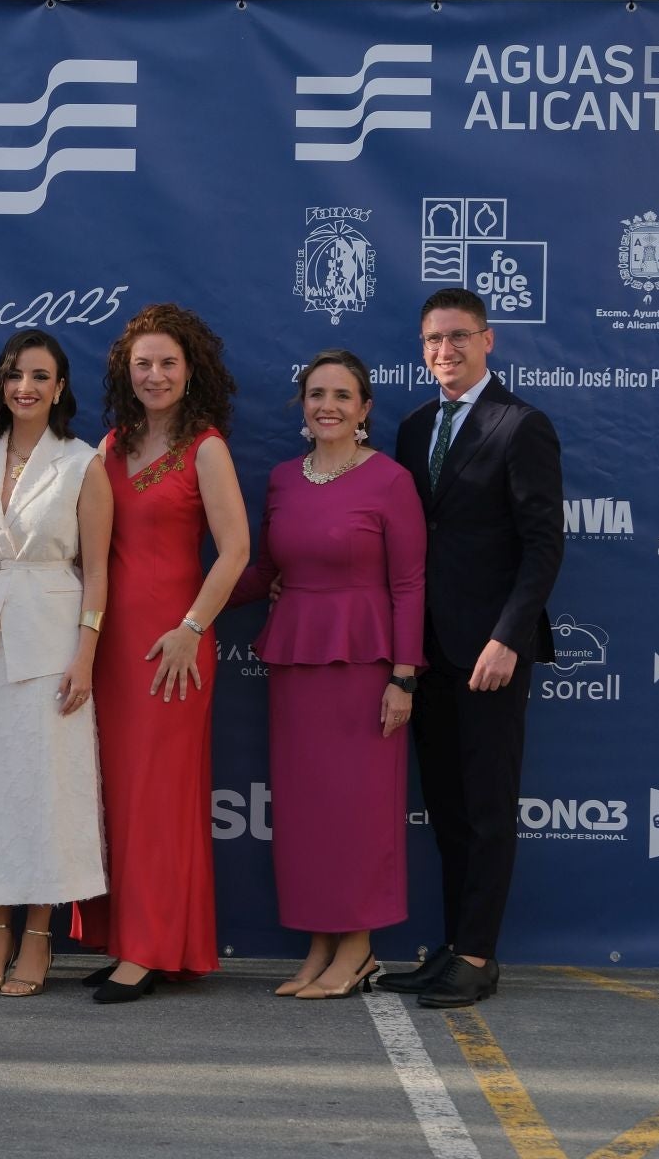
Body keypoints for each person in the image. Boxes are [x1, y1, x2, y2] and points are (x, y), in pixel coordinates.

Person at [379, 288, 562, 1009]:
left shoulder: (522, 426)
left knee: (487, 811)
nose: (444, 351)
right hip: (425, 653)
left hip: (490, 654)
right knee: (449, 811)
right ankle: (453, 949)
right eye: (432, 340)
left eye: (458, 337)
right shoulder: (416, 425)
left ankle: (480, 956)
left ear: (489, 341)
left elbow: (544, 545)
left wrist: (508, 637)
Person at [230, 349, 426, 1000]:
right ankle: (319, 943)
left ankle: (359, 948)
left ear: (365, 409)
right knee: (309, 812)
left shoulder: (390, 481)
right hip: (297, 667)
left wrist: (403, 678)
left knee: (359, 813)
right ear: (302, 406)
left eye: (342, 395)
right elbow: (264, 572)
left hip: (367, 670)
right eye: (316, 394)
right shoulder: (284, 478)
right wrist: (188, 600)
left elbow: (408, 584)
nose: (328, 406)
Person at [75, 302, 249, 1004]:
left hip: (173, 647)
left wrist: (192, 628)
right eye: (142, 363)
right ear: (126, 370)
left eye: (167, 363)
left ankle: (151, 949)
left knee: (158, 798)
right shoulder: (110, 446)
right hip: (111, 644)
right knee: (115, 793)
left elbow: (236, 550)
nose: (155, 375)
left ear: (191, 369)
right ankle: (127, 938)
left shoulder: (207, 446)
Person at [0, 331, 110, 998]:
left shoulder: (82, 463)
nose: (25, 387)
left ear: (60, 388)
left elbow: (97, 572)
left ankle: (38, 934)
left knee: (44, 790)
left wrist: (86, 653)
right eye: (14, 375)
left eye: (40, 376)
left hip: (52, 634)